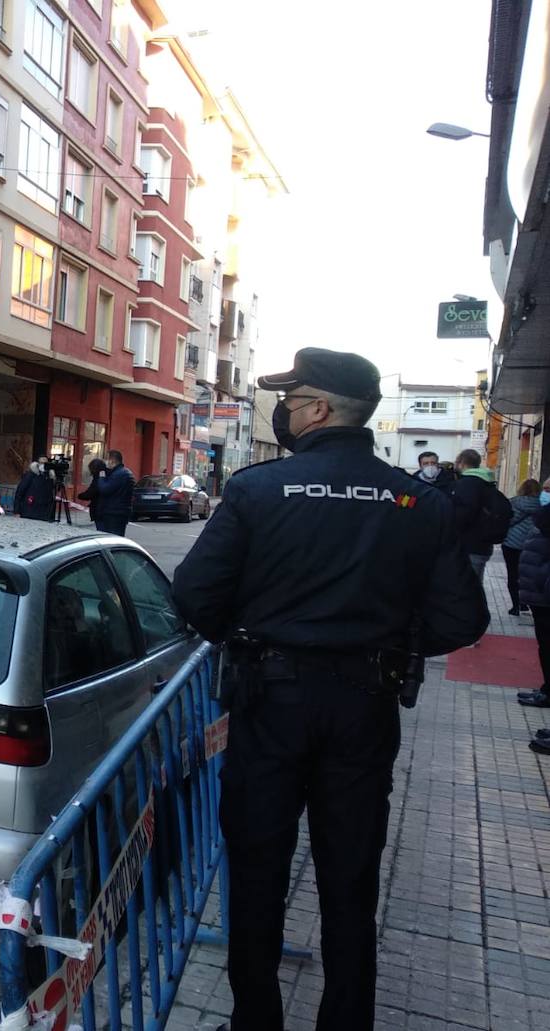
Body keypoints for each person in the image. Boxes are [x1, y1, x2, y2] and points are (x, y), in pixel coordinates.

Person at [171, 347, 488, 1031]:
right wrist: (389, 645)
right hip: (364, 710)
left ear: (318, 409)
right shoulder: (416, 499)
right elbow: (464, 617)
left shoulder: (258, 490)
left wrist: (253, 636)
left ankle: (257, 1022)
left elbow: (194, 594)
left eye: (289, 399)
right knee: (350, 884)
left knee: (258, 875)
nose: (281, 409)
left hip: (269, 704)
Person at [451, 448, 512, 585]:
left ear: (461, 463)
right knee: (475, 584)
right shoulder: (487, 483)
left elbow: (463, 514)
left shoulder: (468, 483)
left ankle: (474, 607)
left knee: (468, 587)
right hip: (483, 545)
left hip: (470, 544)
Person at [518, 479, 550, 713]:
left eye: (549, 490)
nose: (545, 494)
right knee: (544, 645)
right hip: (539, 594)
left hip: (544, 592)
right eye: (545, 489)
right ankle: (547, 689)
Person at [505, 478, 543, 616]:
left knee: (512, 574)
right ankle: (527, 603)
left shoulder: (515, 503)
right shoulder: (542, 505)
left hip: (511, 543)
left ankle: (516, 606)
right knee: (529, 575)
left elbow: (509, 520)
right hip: (531, 544)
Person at [94, 450, 134, 535]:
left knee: (112, 539)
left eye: (106, 459)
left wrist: (101, 477)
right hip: (120, 511)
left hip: (113, 513)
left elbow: (104, 489)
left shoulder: (119, 474)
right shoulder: (125, 472)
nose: (105, 462)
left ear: (112, 461)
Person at [78, 457, 108, 525]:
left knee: (101, 528)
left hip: (99, 508)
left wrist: (81, 496)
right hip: (106, 508)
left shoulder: (98, 478)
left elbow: (92, 491)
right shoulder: (107, 475)